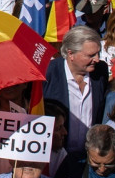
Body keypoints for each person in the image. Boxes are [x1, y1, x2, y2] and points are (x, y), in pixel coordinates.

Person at [43, 25, 108, 156]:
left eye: (98, 53)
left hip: (89, 156)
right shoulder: (48, 73)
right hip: (56, 154)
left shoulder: (101, 71)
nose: (96, 59)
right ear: (71, 54)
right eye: (91, 55)